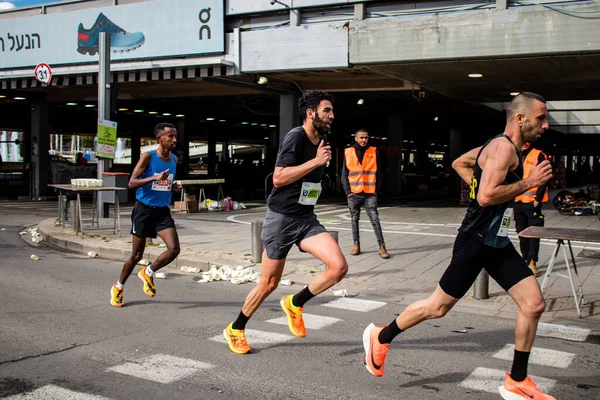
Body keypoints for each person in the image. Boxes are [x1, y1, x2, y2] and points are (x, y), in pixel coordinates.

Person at [362, 93, 555, 400]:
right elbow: (486, 197)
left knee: (533, 304)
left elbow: (460, 162)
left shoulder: (503, 146)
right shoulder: (503, 148)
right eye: (540, 118)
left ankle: (517, 380)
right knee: (437, 307)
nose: (545, 124)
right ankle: (380, 336)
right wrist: (528, 183)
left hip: (496, 242)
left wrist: (479, 182)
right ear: (520, 118)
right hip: (475, 242)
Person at [223, 90, 348, 354]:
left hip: (306, 218)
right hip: (281, 219)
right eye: (327, 110)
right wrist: (315, 161)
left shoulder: (322, 137)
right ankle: (236, 328)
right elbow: (278, 178)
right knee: (269, 284)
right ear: (310, 112)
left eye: (332, 110)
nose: (332, 115)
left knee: (338, 267)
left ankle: (295, 302)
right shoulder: (295, 137)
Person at [110, 123, 181, 307]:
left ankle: (148, 272)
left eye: (175, 136)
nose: (174, 139)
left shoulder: (174, 159)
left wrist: (173, 186)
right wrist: (153, 178)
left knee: (174, 249)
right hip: (143, 209)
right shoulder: (148, 156)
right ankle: (118, 287)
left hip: (162, 211)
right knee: (136, 255)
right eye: (171, 136)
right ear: (160, 138)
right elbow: (132, 183)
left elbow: (166, 182)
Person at [341, 129, 389, 258]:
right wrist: (348, 192)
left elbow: (379, 172)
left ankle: (382, 246)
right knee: (354, 219)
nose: (364, 140)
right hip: (354, 192)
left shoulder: (374, 151)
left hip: (370, 192)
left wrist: (376, 190)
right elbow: (344, 173)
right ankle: (356, 244)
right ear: (356, 138)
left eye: (366, 138)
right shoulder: (348, 151)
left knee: (374, 219)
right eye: (361, 137)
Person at [513, 143, 549, 277]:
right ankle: (525, 259)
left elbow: (545, 178)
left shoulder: (539, 154)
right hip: (518, 201)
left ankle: (532, 261)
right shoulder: (515, 154)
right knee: (521, 232)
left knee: (534, 233)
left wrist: (537, 200)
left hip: (532, 202)